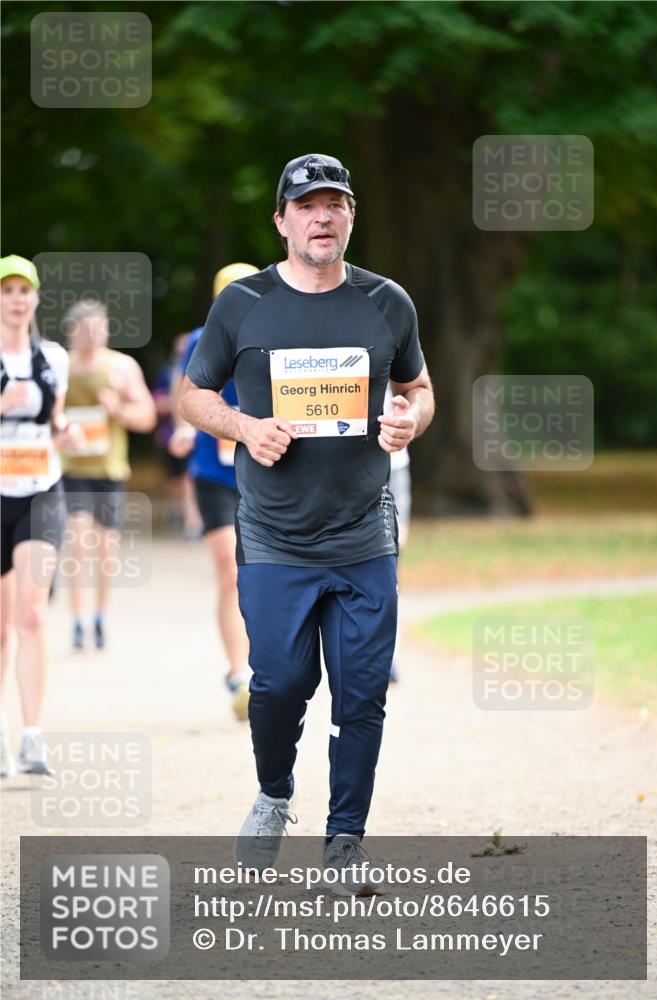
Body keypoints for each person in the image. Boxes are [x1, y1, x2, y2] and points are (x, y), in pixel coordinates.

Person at [180, 154, 434, 893]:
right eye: (308, 205)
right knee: (280, 683)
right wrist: (240, 426)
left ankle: (344, 842)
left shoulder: (387, 302)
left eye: (336, 204)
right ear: (282, 220)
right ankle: (273, 792)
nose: (322, 217)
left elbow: (417, 387)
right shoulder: (245, 305)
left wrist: (408, 421)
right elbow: (193, 395)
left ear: (350, 216)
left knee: (360, 694)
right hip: (275, 536)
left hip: (362, 534)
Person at [0, 255, 82, 776]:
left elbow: (56, 418)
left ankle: (32, 737)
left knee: (31, 612)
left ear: (35, 299)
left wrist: (66, 429)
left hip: (41, 491)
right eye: (6, 290)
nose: (15, 299)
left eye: (23, 290)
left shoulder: (53, 357)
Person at [169, 263, 259, 722]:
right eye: (228, 295)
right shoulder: (198, 341)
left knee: (264, 574)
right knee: (230, 571)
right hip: (213, 473)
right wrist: (185, 430)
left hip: (264, 474)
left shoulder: (273, 334)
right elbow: (187, 395)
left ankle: (268, 666)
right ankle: (236, 671)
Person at [60, 299, 156, 650]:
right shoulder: (60, 368)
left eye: (101, 327)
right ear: (72, 332)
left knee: (105, 546)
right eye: (88, 329)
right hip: (71, 468)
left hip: (109, 468)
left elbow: (146, 416)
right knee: (77, 538)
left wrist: (118, 410)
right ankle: (77, 620)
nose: (96, 335)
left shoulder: (121, 367)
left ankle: (100, 616)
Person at [152, 333, 201, 537]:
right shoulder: (167, 372)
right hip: (170, 433)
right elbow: (156, 400)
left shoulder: (206, 366)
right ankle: (178, 510)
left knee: (189, 477)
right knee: (175, 481)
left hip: (198, 433)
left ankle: (192, 521)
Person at [384, 385, 412, 684]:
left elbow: (419, 390)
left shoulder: (394, 337)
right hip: (349, 468)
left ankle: (389, 653)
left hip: (394, 467)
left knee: (391, 558)